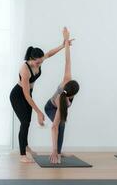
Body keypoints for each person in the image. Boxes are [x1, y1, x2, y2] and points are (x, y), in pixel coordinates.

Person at [10, 33, 74, 163]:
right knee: (24, 122)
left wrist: (63, 45)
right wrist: (39, 112)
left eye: (41, 61)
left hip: (28, 94)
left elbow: (49, 53)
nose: (39, 64)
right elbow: (26, 95)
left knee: (27, 120)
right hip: (18, 95)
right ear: (31, 59)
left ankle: (26, 146)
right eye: (37, 62)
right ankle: (22, 155)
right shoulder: (25, 70)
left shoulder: (39, 59)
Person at [44, 27, 79, 164]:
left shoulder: (67, 79)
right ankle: (56, 151)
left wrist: (66, 42)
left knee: (62, 124)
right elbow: (53, 127)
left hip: (59, 105)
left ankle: (59, 151)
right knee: (59, 125)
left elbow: (67, 61)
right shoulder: (61, 101)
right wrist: (52, 150)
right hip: (50, 107)